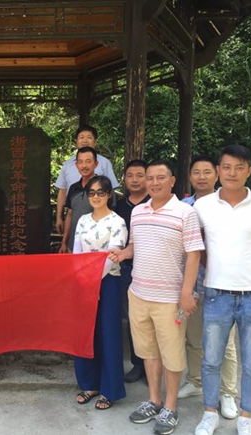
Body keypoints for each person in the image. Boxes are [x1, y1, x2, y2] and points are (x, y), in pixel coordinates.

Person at [193, 145, 251, 435]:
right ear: (218, 170)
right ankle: (210, 413)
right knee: (211, 360)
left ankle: (246, 417)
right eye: (226, 167)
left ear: (249, 171)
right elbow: (198, 247)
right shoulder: (202, 207)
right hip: (216, 295)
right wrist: (215, 268)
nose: (232, 173)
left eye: (239, 167)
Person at [110, 160, 204, 435]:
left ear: (172, 181)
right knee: (149, 352)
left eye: (160, 177)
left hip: (169, 298)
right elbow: (134, 246)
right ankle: (154, 400)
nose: (153, 182)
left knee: (172, 355)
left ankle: (170, 407)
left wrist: (186, 292)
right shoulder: (138, 212)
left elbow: (194, 254)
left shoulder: (186, 213)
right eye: (149, 178)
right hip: (139, 293)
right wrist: (123, 254)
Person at [179, 156, 239, 420]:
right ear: (190, 176)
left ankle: (227, 392)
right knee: (194, 339)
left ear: (216, 174)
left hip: (222, 285)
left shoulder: (227, 204)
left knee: (225, 343)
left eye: (207, 172)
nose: (201, 177)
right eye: (196, 172)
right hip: (192, 285)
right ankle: (195, 381)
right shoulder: (183, 206)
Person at [73, 176, 127, 410]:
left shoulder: (118, 222)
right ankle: (89, 384)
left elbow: (113, 255)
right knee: (84, 332)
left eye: (101, 192)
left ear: (109, 194)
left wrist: (92, 279)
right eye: (91, 192)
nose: (96, 196)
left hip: (108, 282)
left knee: (108, 334)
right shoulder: (83, 220)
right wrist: (81, 278)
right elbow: (76, 252)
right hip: (83, 282)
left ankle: (109, 390)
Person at [114, 159, 149, 384]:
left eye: (139, 175)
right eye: (130, 176)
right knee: (133, 318)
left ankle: (153, 364)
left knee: (155, 320)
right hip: (126, 268)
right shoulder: (118, 206)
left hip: (152, 268)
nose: (134, 180)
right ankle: (138, 364)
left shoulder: (154, 204)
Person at [55, 125, 119, 234]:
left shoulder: (104, 163)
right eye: (81, 137)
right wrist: (59, 217)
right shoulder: (67, 165)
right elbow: (62, 191)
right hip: (74, 214)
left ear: (95, 142)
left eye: (89, 137)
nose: (85, 140)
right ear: (76, 141)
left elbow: (111, 191)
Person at [58, 147, 98, 254]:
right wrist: (64, 243)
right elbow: (69, 215)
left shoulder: (102, 188)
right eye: (80, 162)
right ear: (76, 165)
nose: (84, 166)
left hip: (95, 248)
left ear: (96, 164)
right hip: (73, 246)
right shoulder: (73, 188)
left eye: (88, 161)